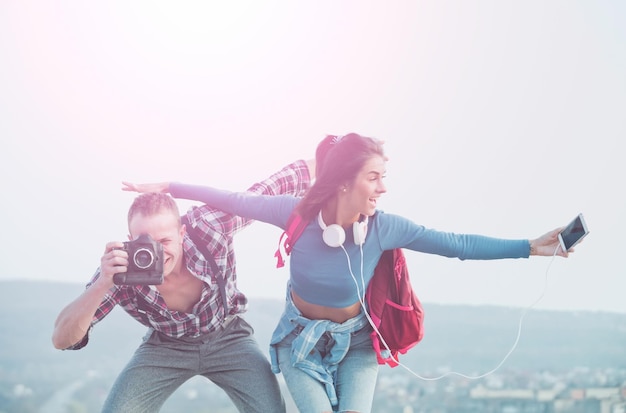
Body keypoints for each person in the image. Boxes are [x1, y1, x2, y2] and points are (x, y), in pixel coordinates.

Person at [124, 133, 573, 413]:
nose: (383, 187)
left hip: (357, 343)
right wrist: (171, 187)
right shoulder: (294, 214)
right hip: (300, 344)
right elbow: (233, 199)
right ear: (345, 181)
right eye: (374, 176)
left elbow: (455, 245)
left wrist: (530, 247)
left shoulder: (384, 228)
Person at [51, 159, 314, 413]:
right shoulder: (120, 268)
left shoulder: (208, 226)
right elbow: (62, 339)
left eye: (164, 241)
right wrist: (102, 283)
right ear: (130, 240)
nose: (155, 252)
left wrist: (334, 160)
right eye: (144, 242)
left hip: (229, 337)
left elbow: (263, 193)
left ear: (182, 233)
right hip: (166, 346)